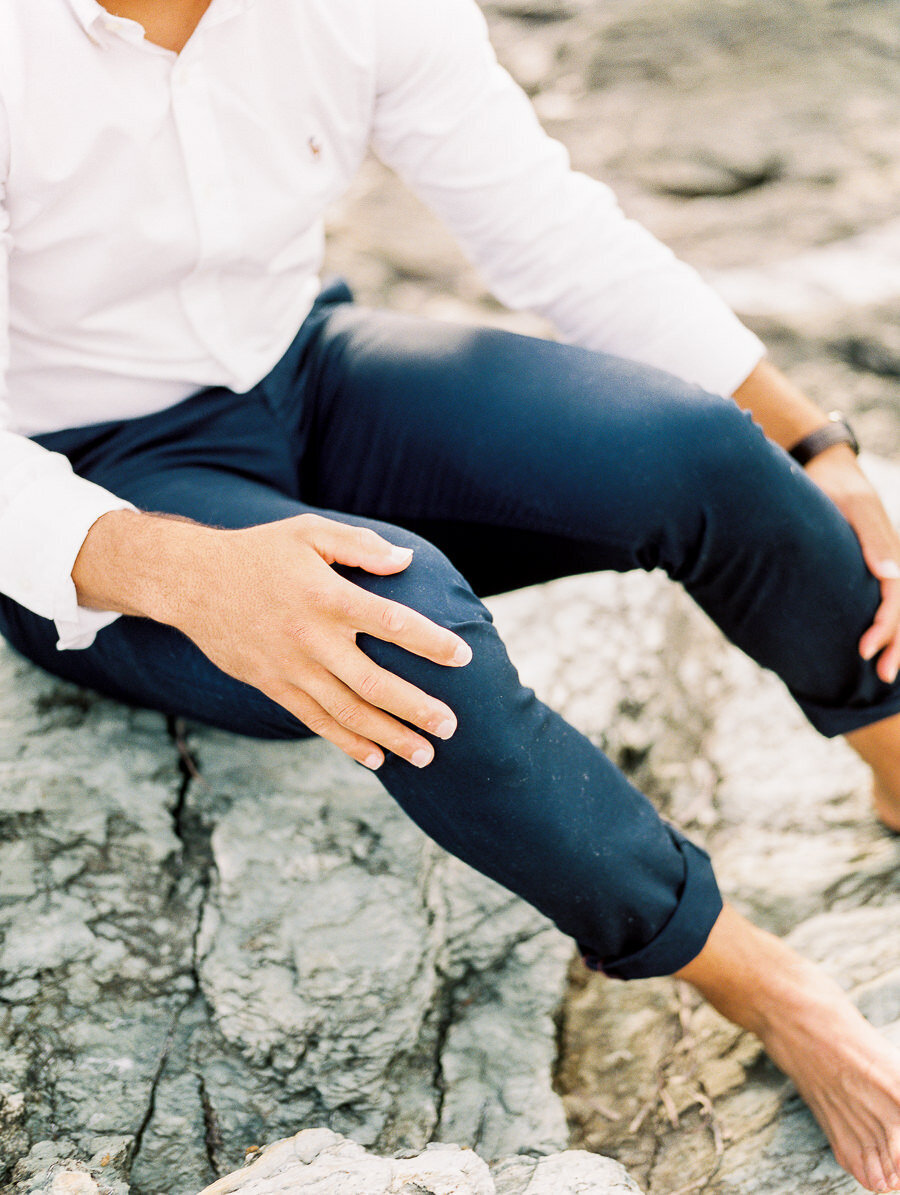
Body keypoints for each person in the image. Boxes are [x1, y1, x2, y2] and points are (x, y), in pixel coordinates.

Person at [3, 0, 900, 1188]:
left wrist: (819, 446)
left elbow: (551, 229)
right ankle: (762, 981)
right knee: (397, 623)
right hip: (88, 484)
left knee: (702, 445)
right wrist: (185, 571)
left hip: (305, 370)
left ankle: (893, 756)